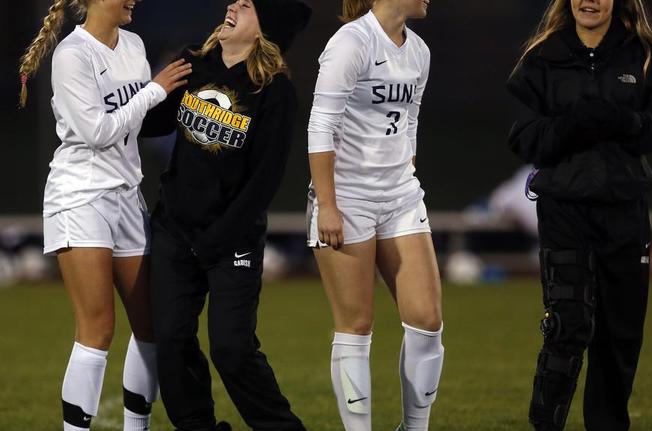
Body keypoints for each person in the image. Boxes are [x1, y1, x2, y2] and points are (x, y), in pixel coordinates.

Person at [17, 0, 190, 429]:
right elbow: (97, 132)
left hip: (127, 195)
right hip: (81, 196)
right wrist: (155, 89)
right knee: (97, 329)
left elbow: (139, 122)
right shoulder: (72, 54)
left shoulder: (133, 44)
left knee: (151, 326)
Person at [139, 0, 311, 430]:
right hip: (175, 230)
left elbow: (265, 180)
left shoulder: (275, 91)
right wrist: (154, 90)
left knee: (232, 349)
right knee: (172, 339)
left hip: (232, 238)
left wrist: (217, 239)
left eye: (247, 4)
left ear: (264, 28)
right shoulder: (193, 62)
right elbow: (151, 126)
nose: (232, 5)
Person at [506, 0, 652, 429]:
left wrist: (622, 122)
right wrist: (573, 125)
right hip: (564, 208)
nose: (590, 1)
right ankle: (546, 424)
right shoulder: (540, 59)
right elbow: (524, 138)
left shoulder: (645, 55)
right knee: (567, 326)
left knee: (621, 333)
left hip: (624, 207)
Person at [306, 1, 444, 430]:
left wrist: (403, 168)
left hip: (401, 196)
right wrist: (328, 204)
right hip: (348, 197)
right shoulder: (352, 42)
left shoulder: (418, 50)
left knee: (427, 321)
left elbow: (411, 120)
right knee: (356, 326)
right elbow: (320, 126)